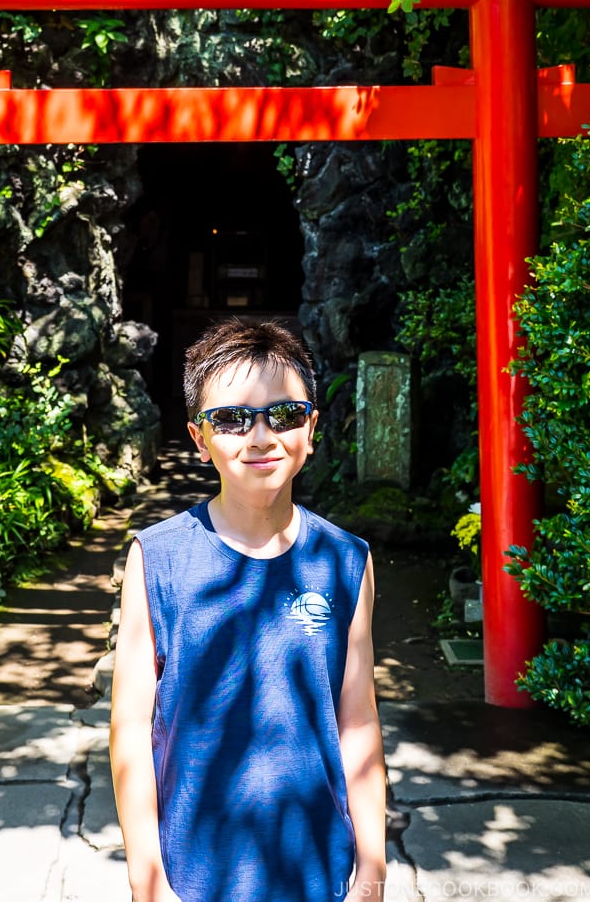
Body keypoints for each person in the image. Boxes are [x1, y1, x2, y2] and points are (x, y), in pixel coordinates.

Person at [110, 318, 386, 902]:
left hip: (319, 870)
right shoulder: (156, 559)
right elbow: (131, 726)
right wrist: (147, 876)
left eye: (283, 415)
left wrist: (372, 871)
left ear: (310, 427)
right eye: (231, 419)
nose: (260, 438)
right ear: (198, 436)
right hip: (193, 872)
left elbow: (357, 719)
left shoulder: (346, 561)